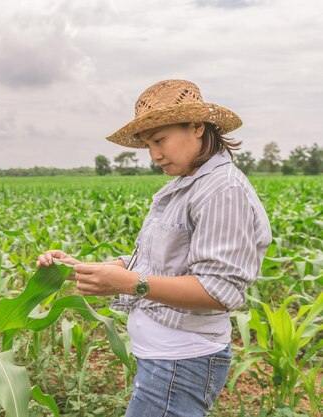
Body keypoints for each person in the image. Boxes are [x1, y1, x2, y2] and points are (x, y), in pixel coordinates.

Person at [36, 79, 272, 417]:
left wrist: (124, 283)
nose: (155, 155)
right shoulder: (186, 185)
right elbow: (156, 264)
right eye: (148, 145)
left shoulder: (221, 190)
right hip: (165, 363)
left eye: (160, 140)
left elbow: (218, 290)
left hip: (180, 364)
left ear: (197, 127)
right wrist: (83, 267)